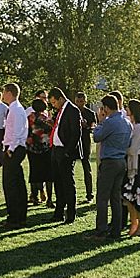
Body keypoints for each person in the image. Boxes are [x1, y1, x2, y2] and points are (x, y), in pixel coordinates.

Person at [91, 94, 131, 239]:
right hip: (121, 161)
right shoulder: (127, 123)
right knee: (116, 197)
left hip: (109, 161)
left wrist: (100, 123)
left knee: (102, 197)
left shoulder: (109, 122)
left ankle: (101, 230)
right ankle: (116, 229)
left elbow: (97, 137)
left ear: (106, 108)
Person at [48, 87, 82, 224]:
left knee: (67, 183)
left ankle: (71, 213)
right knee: (58, 182)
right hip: (56, 149)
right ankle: (59, 212)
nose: (54, 105)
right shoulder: (60, 111)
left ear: (60, 99)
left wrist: (67, 152)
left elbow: (76, 133)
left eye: (54, 102)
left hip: (65, 152)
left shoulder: (72, 110)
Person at [0, 83, 29, 228]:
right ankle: (18, 216)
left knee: (11, 184)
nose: (2, 95)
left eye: (4, 92)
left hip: (14, 148)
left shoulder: (16, 110)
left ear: (9, 93)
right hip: (14, 147)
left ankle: (14, 218)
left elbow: (18, 132)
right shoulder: (15, 108)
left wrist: (10, 148)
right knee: (16, 183)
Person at [123, 98, 140, 237]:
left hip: (136, 163)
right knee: (129, 196)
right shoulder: (133, 125)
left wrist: (122, 148)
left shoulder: (139, 127)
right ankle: (133, 223)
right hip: (130, 162)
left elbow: (133, 149)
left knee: (137, 195)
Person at [26, 98, 53, 206]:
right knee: (48, 174)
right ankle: (49, 199)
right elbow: (50, 130)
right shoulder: (46, 119)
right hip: (45, 148)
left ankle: (35, 197)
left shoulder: (29, 118)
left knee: (34, 173)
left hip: (32, 148)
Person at [76, 91, 97, 202]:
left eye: (82, 101)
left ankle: (89, 194)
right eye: (78, 101)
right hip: (74, 142)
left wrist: (86, 126)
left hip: (85, 142)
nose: (80, 103)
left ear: (85, 101)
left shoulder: (90, 113)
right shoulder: (72, 112)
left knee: (86, 167)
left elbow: (93, 127)